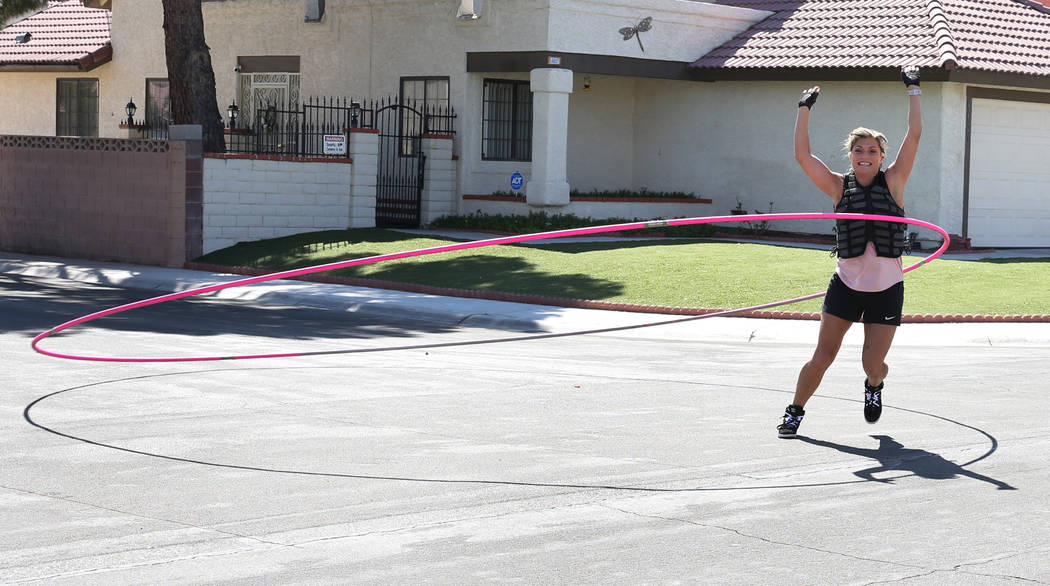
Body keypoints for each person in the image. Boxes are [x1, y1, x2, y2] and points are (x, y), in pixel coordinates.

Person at [778, 66, 922, 439]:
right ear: (851, 154)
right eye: (859, 150)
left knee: (872, 362)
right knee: (823, 356)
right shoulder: (838, 187)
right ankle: (795, 411)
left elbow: (915, 135)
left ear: (880, 156)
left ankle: (874, 385)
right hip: (845, 284)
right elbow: (801, 154)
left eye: (872, 150)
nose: (865, 155)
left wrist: (914, 89)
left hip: (886, 287)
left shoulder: (894, 181)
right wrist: (804, 107)